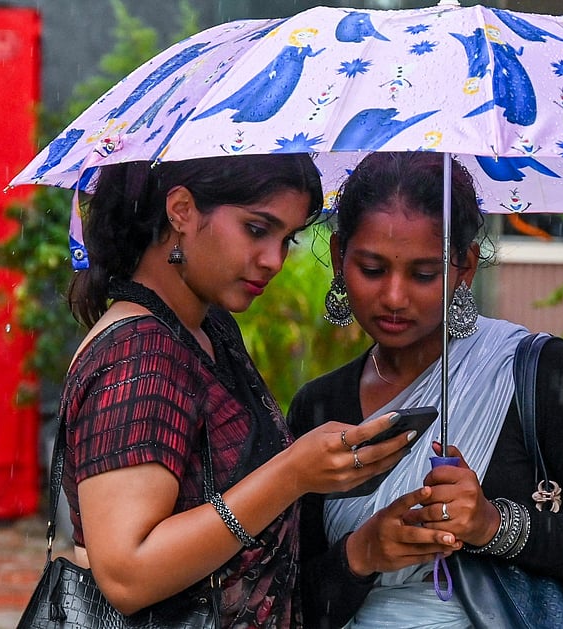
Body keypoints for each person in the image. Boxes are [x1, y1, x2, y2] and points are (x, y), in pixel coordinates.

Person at [287, 152, 563, 628]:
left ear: (464, 267)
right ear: (340, 257)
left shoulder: (536, 372)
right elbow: (291, 601)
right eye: (373, 269)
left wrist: (493, 526)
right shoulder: (319, 408)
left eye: (424, 274)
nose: (395, 297)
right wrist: (362, 554)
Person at [58, 154, 416, 627]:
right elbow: (127, 575)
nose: (274, 260)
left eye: (286, 238)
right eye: (255, 229)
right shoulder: (141, 355)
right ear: (181, 210)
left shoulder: (208, 329)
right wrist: (292, 474)